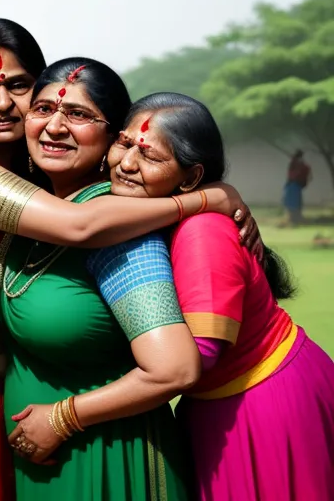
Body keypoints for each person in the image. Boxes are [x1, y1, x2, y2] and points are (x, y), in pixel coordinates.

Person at [0, 20, 247, 501]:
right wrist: (208, 198)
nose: (3, 104)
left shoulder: (113, 221)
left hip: (49, 426)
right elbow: (76, 226)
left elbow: (172, 366)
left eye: (19, 86)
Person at [0, 59, 260, 500]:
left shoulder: (120, 234)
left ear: (109, 135)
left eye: (79, 115)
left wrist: (62, 418)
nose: (55, 127)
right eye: (43, 109)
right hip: (49, 464)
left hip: (110, 461)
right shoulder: (46, 209)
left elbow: (174, 369)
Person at [106, 92, 334, 501]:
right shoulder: (150, 211)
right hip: (225, 399)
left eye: (149, 156)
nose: (126, 163)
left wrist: (73, 404)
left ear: (191, 178)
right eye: (123, 142)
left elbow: (198, 354)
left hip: (262, 402)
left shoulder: (202, 232)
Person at [282, 149, 311, 225]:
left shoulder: (299, 164)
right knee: (293, 202)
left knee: (294, 202)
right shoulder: (296, 163)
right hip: (293, 184)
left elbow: (299, 173)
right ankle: (293, 218)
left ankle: (295, 218)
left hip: (295, 185)